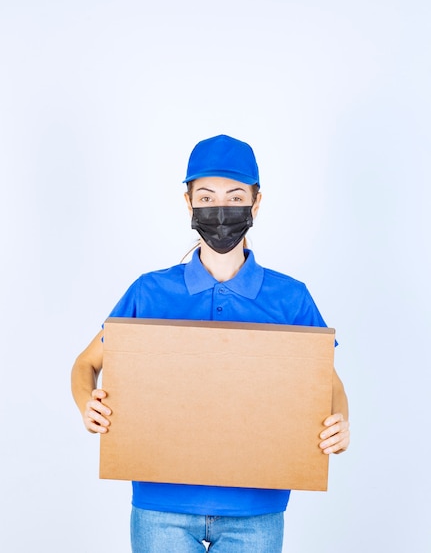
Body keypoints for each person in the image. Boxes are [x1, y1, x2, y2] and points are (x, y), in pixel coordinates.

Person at [71, 134, 350, 553]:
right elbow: (85, 364)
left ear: (256, 203)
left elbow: (327, 381)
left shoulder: (290, 298)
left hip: (256, 509)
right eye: (206, 197)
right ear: (188, 204)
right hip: (160, 507)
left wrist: (341, 422)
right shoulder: (150, 292)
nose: (220, 209)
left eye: (235, 195)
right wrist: (85, 403)